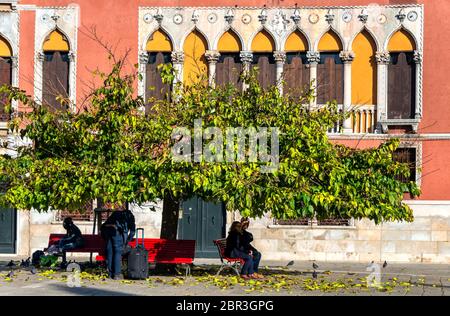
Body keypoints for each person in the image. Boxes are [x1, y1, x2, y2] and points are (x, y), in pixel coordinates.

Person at [101, 207, 136, 280]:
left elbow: (105, 225)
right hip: (119, 234)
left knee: (110, 252)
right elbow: (132, 232)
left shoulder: (114, 214)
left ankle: (110, 274)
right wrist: (127, 241)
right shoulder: (129, 216)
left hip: (109, 234)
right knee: (117, 253)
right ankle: (117, 274)